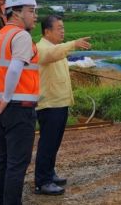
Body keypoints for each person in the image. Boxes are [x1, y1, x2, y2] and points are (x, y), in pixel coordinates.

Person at [0, 0, 39, 205]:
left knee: (3, 158)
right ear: (17, 12)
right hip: (18, 107)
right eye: (31, 11)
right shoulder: (21, 35)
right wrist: (5, 97)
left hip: (0, 107)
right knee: (17, 163)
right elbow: (15, 69)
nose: (34, 16)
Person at [34, 15, 91, 195]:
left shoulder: (56, 48)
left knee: (54, 143)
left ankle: (49, 174)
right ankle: (42, 182)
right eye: (59, 28)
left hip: (59, 103)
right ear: (47, 31)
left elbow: (58, 53)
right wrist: (73, 44)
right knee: (47, 144)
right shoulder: (41, 48)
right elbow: (52, 54)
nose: (62, 31)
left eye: (63, 28)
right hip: (49, 104)